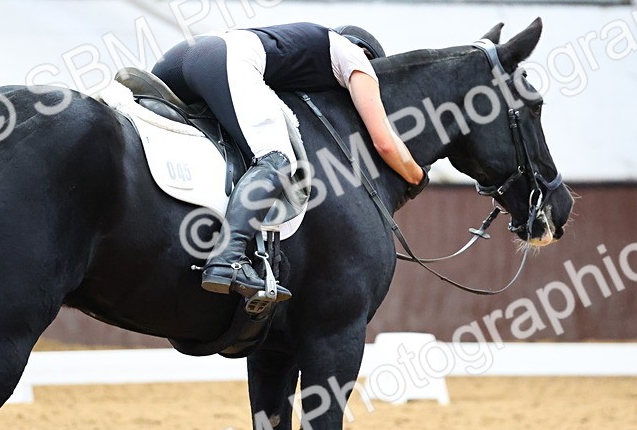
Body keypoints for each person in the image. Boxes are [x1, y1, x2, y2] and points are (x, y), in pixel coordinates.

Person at [149, 22, 428, 301]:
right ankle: (229, 257)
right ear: (366, 54)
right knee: (277, 159)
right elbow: (384, 142)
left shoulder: (304, 49)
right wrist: (417, 177)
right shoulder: (355, 58)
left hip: (175, 60)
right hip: (222, 60)